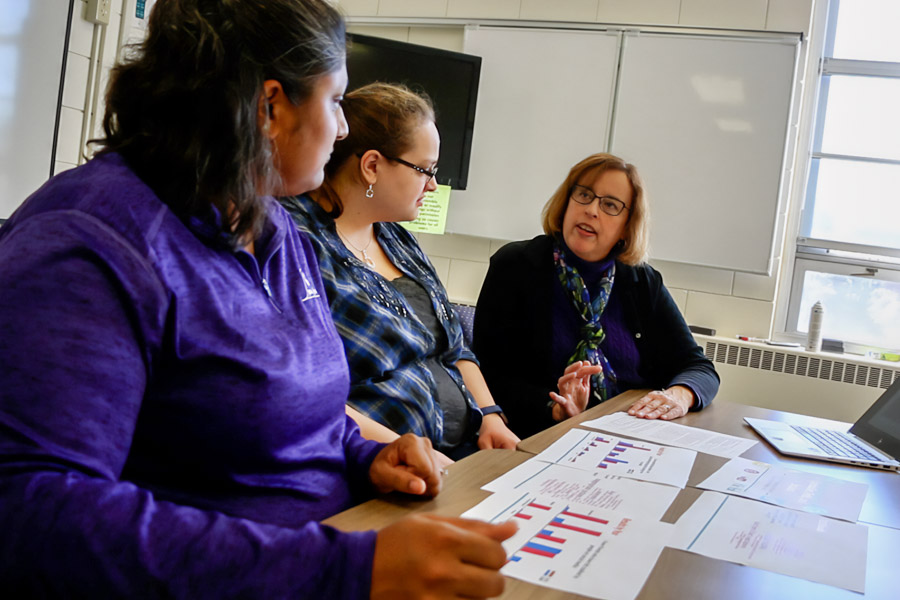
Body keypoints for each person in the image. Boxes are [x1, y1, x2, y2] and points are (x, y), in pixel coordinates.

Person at [0, 2, 515, 598]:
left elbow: (298, 417)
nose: (345, 129)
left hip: (340, 539)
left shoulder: (274, 227)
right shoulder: (93, 242)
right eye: (335, 101)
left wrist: (361, 458)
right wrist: (341, 570)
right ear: (270, 108)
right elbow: (30, 512)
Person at [281, 83, 519, 460]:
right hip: (379, 463)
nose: (433, 185)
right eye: (425, 169)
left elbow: (455, 346)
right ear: (372, 166)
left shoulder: (398, 239)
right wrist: (401, 451)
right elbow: (302, 390)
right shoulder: (294, 241)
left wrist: (490, 416)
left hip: (461, 451)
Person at [473, 153, 719, 439]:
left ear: (627, 225)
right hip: (540, 437)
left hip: (633, 435)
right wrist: (553, 407)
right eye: (584, 195)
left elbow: (698, 367)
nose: (591, 210)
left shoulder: (641, 281)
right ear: (566, 202)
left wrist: (680, 395)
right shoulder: (517, 265)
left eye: (610, 205)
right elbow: (488, 375)